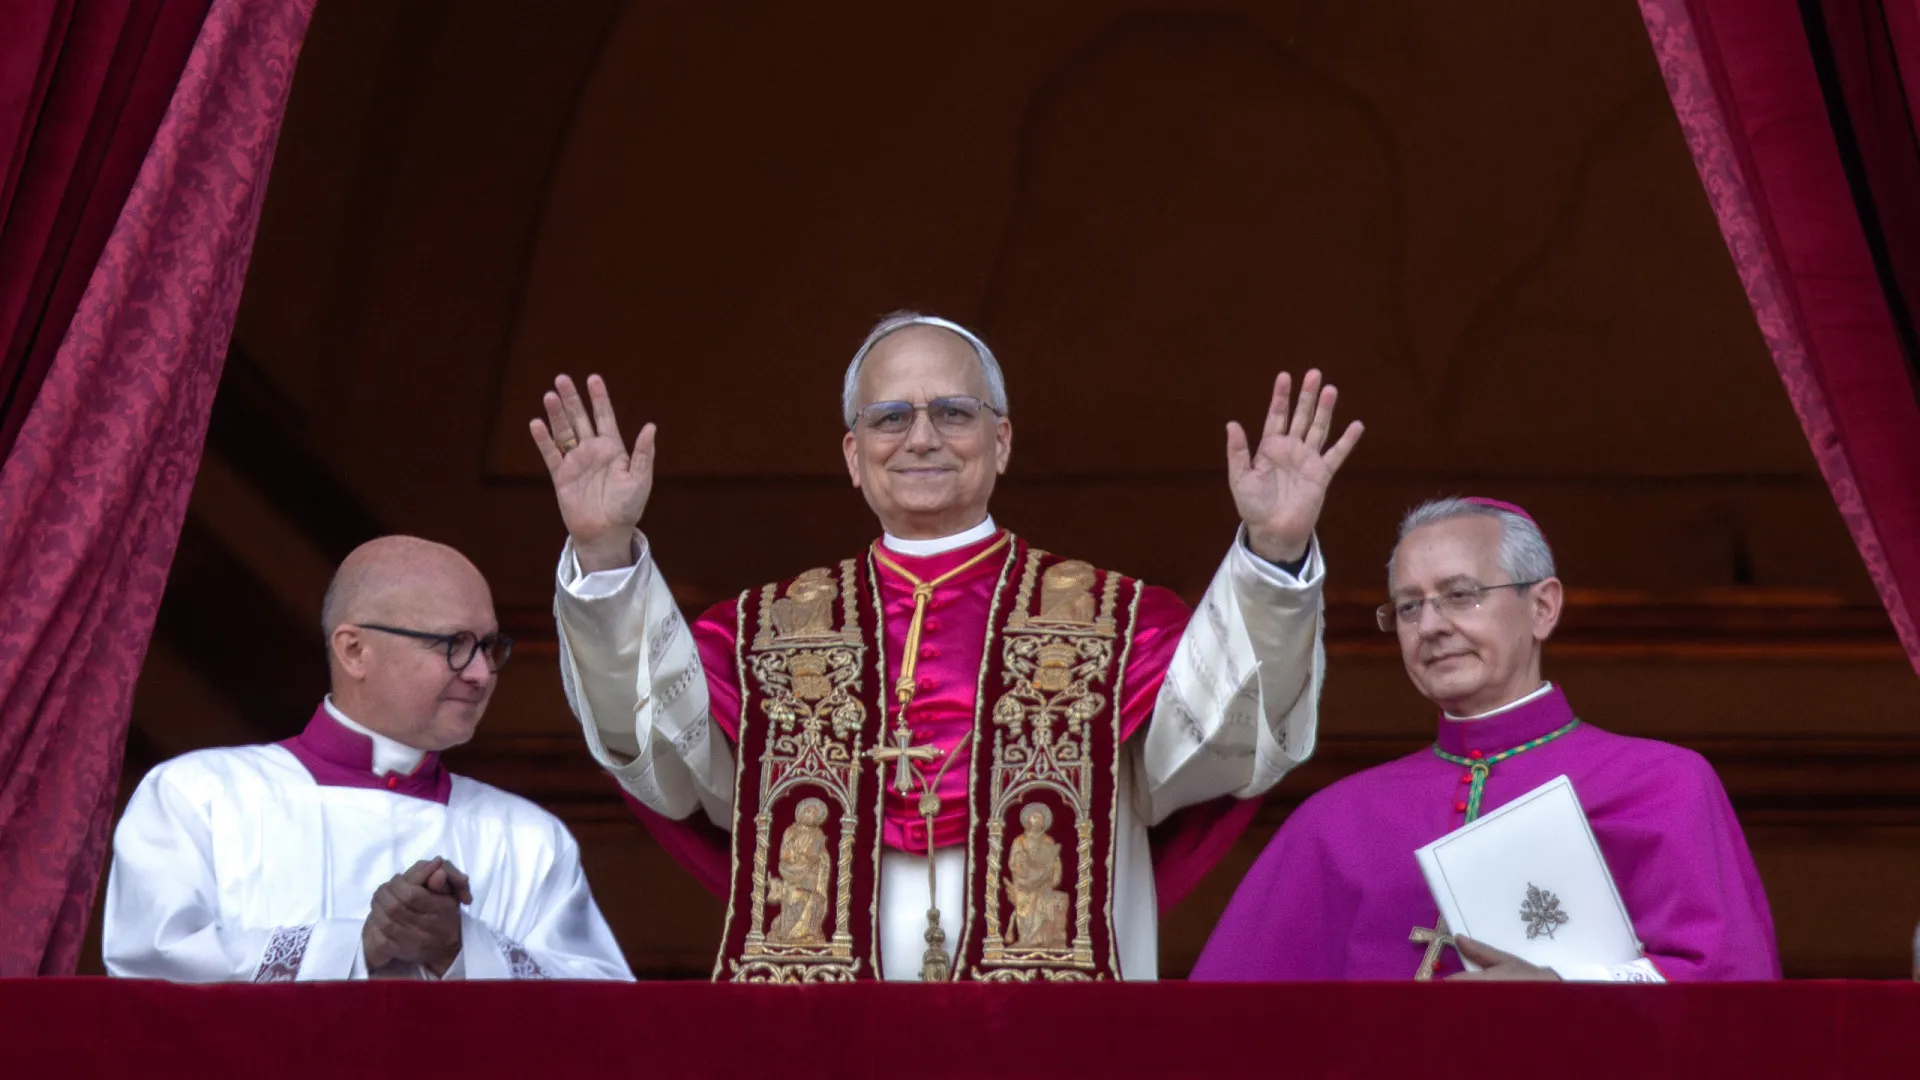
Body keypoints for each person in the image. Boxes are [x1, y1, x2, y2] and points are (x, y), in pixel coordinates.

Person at [534, 311, 1364, 981]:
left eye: (953, 412)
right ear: (854, 457)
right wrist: (606, 554)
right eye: (891, 417)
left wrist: (1271, 556)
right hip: (824, 1043)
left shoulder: (1115, 622)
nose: (922, 436)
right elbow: (664, 759)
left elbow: (1221, 741)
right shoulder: (764, 633)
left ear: (1001, 441)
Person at [1191, 497, 1779, 982]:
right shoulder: (1337, 821)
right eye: (1407, 607)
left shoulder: (1661, 784)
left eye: (1460, 594)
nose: (1431, 626)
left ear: (1542, 607)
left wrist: (1565, 993)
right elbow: (1228, 1020)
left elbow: (1734, 992)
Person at [103, 536, 632, 982]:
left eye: (490, 646)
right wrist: (355, 946)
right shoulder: (197, 797)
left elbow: (606, 1018)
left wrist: (461, 949)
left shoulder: (529, 838)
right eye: (455, 644)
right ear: (354, 650)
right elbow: (150, 968)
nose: (480, 674)